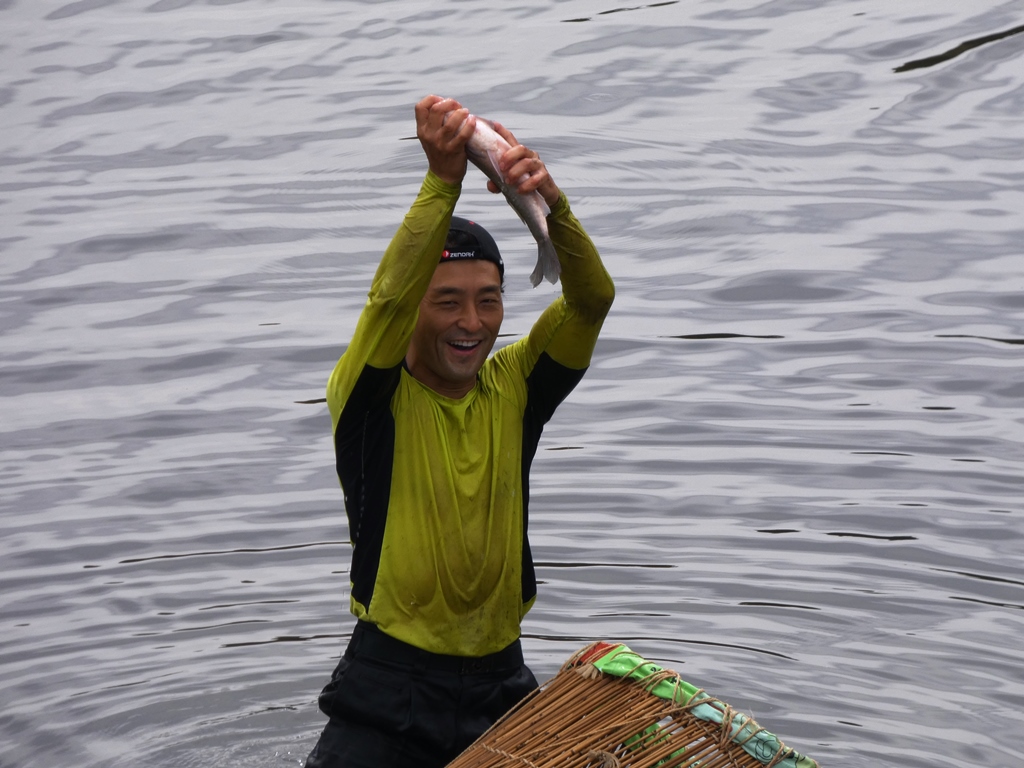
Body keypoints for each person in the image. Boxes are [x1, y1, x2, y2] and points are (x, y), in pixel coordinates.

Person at [304, 95, 614, 768]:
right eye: (446, 301)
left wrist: (550, 204)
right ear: (415, 310)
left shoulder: (517, 386)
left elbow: (592, 299)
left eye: (488, 299)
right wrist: (442, 181)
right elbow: (387, 298)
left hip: (502, 688)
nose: (471, 322)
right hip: (389, 692)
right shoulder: (370, 396)